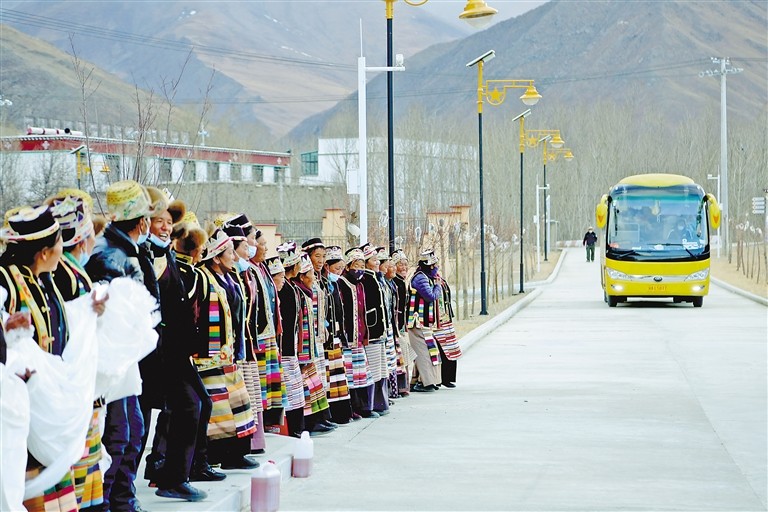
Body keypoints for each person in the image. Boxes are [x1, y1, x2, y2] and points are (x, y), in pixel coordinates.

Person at [86, 180, 160, 512]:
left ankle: (122, 499)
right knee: (121, 434)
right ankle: (114, 502)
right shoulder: (111, 255)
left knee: (130, 431)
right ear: (142, 222)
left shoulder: (125, 249)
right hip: (113, 362)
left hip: (126, 359)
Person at [406, 250, 443, 392]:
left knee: (429, 350)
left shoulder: (425, 277)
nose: (436, 268)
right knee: (423, 352)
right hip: (418, 321)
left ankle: (422, 380)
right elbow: (430, 296)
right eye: (434, 265)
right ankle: (427, 382)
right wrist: (438, 286)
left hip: (425, 322)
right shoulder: (420, 278)